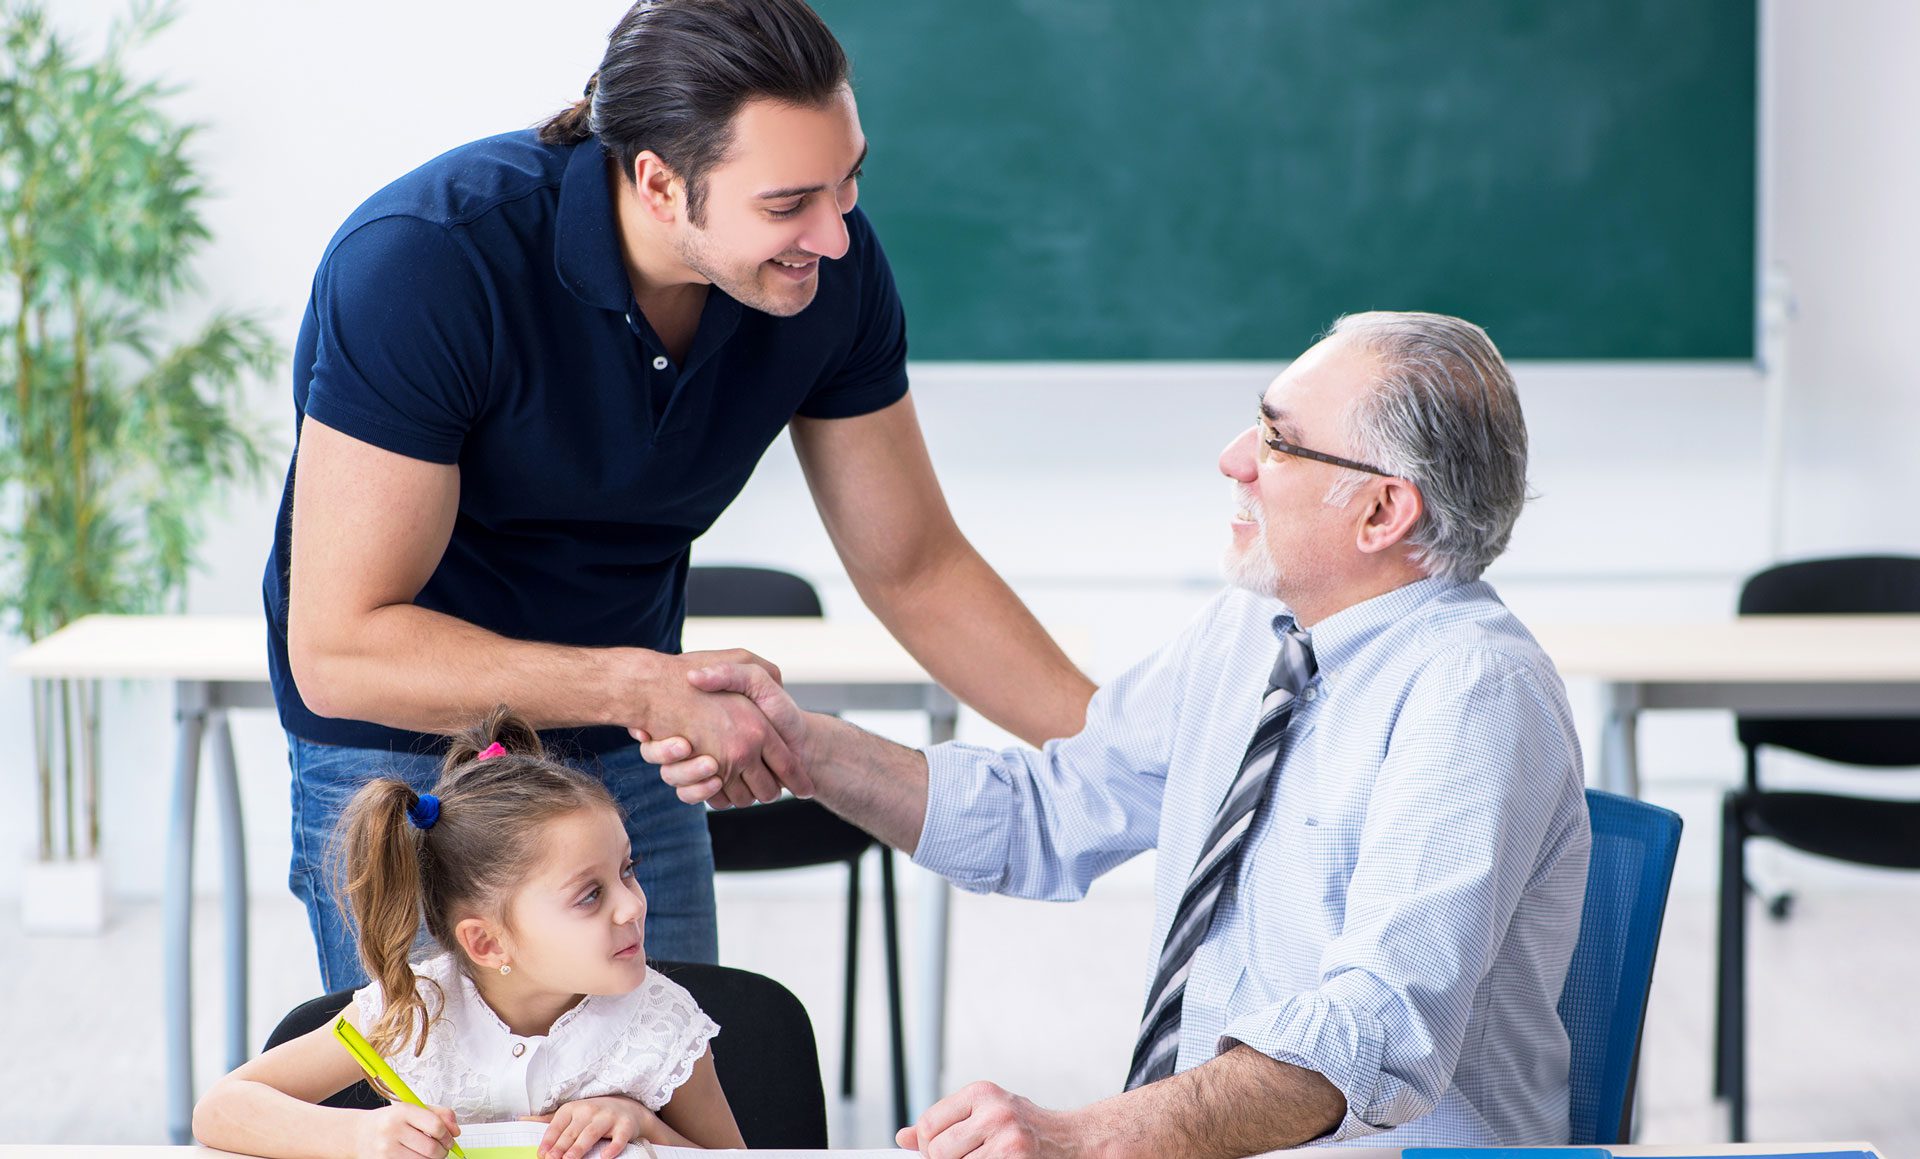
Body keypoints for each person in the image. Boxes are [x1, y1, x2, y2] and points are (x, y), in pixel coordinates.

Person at [266, 0, 1094, 989]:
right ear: (658, 182)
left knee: (660, 1108)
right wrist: (638, 684)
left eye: (851, 182)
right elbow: (342, 649)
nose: (834, 236)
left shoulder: (831, 271)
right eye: (788, 204)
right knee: (453, 1126)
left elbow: (915, 567)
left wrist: (1146, 763)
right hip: (412, 753)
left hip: (625, 747)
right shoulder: (429, 261)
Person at [643, 312, 1594, 1154]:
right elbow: (1052, 812)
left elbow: (1379, 1028)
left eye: (1279, 440)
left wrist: (1086, 1136)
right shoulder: (1251, 632)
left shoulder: (1474, 691)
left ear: (1383, 510)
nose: (1234, 458)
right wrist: (809, 750)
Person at [194, 709, 744, 1159]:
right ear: (486, 943)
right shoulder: (413, 1009)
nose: (633, 905)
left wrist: (641, 1122)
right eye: (590, 895)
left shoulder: (660, 1021)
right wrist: (358, 1135)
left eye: (627, 869)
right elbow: (221, 1109)